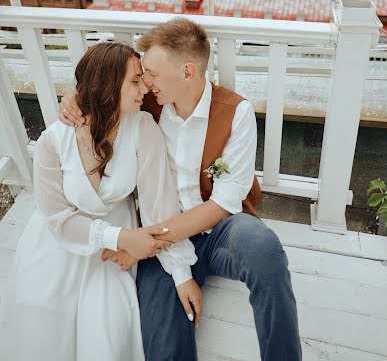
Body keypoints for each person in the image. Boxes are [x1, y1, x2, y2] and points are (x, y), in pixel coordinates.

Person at [60, 19, 302, 361]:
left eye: (152, 74)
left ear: (187, 72)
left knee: (264, 249)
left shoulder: (236, 114)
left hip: (218, 231)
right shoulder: (147, 104)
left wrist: (143, 242)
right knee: (162, 341)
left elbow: (222, 205)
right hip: (162, 237)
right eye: (142, 75)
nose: (144, 81)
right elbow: (105, 94)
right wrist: (72, 98)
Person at [0, 41, 198, 361]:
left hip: (111, 252)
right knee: (42, 317)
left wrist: (181, 274)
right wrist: (122, 237)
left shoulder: (143, 127)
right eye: (135, 81)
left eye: (143, 79)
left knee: (107, 331)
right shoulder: (53, 141)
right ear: (107, 86)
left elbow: (158, 205)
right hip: (59, 241)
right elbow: (58, 219)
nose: (145, 87)